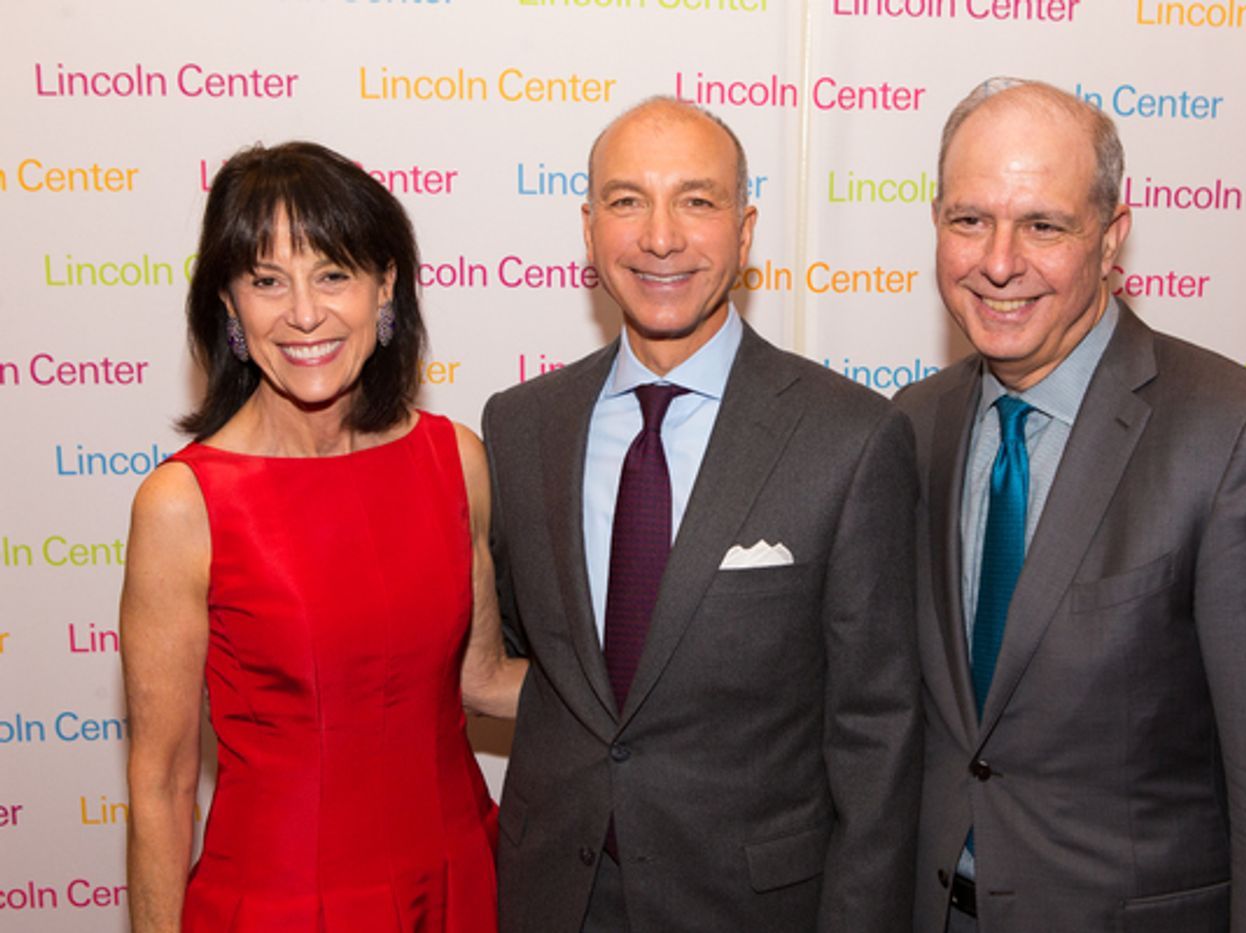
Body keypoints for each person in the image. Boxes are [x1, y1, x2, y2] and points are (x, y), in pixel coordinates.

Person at [894, 77, 1246, 932]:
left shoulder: (1235, 439)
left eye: (1043, 224)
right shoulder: (911, 427)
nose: (999, 261)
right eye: (969, 220)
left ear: (1111, 238)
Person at [481, 97, 921, 933]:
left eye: (696, 200)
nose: (659, 236)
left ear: (746, 229)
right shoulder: (520, 425)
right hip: (551, 895)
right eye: (625, 200)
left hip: (752, 905)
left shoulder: (850, 437)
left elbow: (878, 736)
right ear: (587, 228)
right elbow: (509, 649)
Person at [120, 141, 521, 933]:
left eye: (332, 273)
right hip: (282, 902)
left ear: (386, 287)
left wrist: (673, 693)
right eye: (267, 281)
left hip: (462, 877)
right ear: (229, 306)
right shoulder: (183, 503)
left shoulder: (455, 459)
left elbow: (481, 679)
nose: (303, 313)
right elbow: (162, 781)